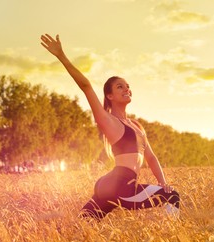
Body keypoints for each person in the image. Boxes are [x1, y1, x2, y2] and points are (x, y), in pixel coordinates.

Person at [40, 34, 180, 220]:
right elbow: (86, 86)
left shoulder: (137, 126)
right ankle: (175, 239)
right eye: (120, 87)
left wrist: (163, 183)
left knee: (81, 226)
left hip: (108, 186)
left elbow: (151, 158)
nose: (126, 89)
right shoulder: (107, 120)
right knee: (172, 197)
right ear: (110, 96)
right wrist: (61, 56)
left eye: (128, 86)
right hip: (122, 187)